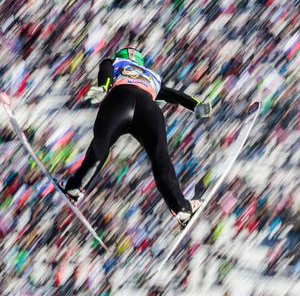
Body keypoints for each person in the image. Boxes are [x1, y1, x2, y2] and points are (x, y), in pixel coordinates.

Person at [61, 47, 212, 227]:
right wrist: (196, 105)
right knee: (160, 156)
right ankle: (181, 207)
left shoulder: (115, 62)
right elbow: (173, 95)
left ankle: (76, 186)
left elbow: (106, 70)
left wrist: (103, 86)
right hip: (148, 107)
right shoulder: (151, 75)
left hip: (119, 99)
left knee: (102, 143)